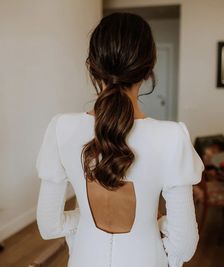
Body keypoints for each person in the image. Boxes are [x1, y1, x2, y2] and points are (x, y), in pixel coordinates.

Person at [35, 12, 205, 267]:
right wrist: (155, 221)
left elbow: (49, 226)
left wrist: (85, 220)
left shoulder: (61, 128)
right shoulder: (172, 137)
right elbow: (183, 245)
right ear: (149, 69)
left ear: (92, 66)